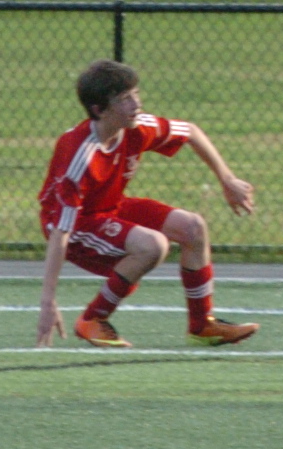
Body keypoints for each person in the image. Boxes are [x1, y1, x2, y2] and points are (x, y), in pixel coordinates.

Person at [34, 61, 259, 349]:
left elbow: (190, 132)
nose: (136, 104)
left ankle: (202, 325)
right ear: (99, 110)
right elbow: (61, 232)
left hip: (109, 207)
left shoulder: (137, 127)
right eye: (124, 99)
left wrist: (227, 179)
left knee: (193, 227)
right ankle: (93, 319)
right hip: (75, 225)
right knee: (152, 245)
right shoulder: (79, 156)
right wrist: (48, 301)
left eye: (136, 94)